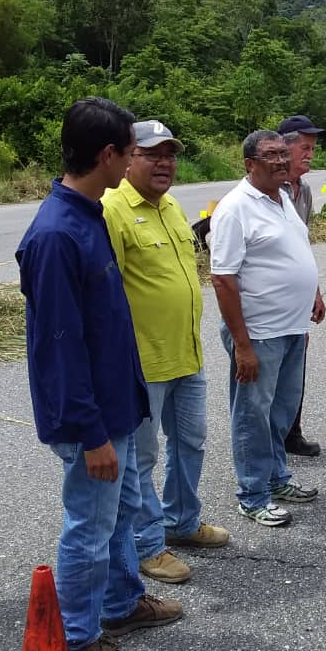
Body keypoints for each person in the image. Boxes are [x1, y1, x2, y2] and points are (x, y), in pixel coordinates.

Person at [16, 98, 181, 651]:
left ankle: (121, 602)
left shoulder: (87, 215)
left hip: (117, 407)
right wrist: (91, 435)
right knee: (89, 526)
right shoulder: (57, 234)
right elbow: (61, 347)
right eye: (134, 151)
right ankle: (80, 639)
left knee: (119, 516)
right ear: (110, 155)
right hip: (91, 418)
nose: (138, 161)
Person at [102, 120, 230, 588]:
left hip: (187, 354)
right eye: (152, 154)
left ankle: (182, 520)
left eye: (170, 155)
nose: (164, 163)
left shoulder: (173, 205)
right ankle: (147, 545)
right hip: (142, 363)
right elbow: (104, 292)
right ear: (126, 157)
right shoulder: (112, 209)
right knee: (142, 458)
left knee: (191, 443)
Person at [210, 130, 325, 527]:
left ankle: (277, 479)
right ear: (249, 164)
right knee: (252, 416)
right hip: (258, 332)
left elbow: (297, 249)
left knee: (281, 411)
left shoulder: (284, 199)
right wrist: (242, 345)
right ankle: (253, 494)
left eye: (282, 154)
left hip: (291, 327)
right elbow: (223, 278)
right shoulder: (235, 208)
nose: (281, 161)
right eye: (271, 156)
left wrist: (314, 292)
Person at [277, 114, 326, 457]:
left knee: (296, 366)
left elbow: (302, 246)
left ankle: (291, 433)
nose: (310, 154)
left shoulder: (304, 191)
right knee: (268, 374)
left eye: (312, 148)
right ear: (284, 148)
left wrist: (314, 291)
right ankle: (267, 442)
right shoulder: (267, 189)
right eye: (304, 148)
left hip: (296, 297)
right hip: (271, 298)